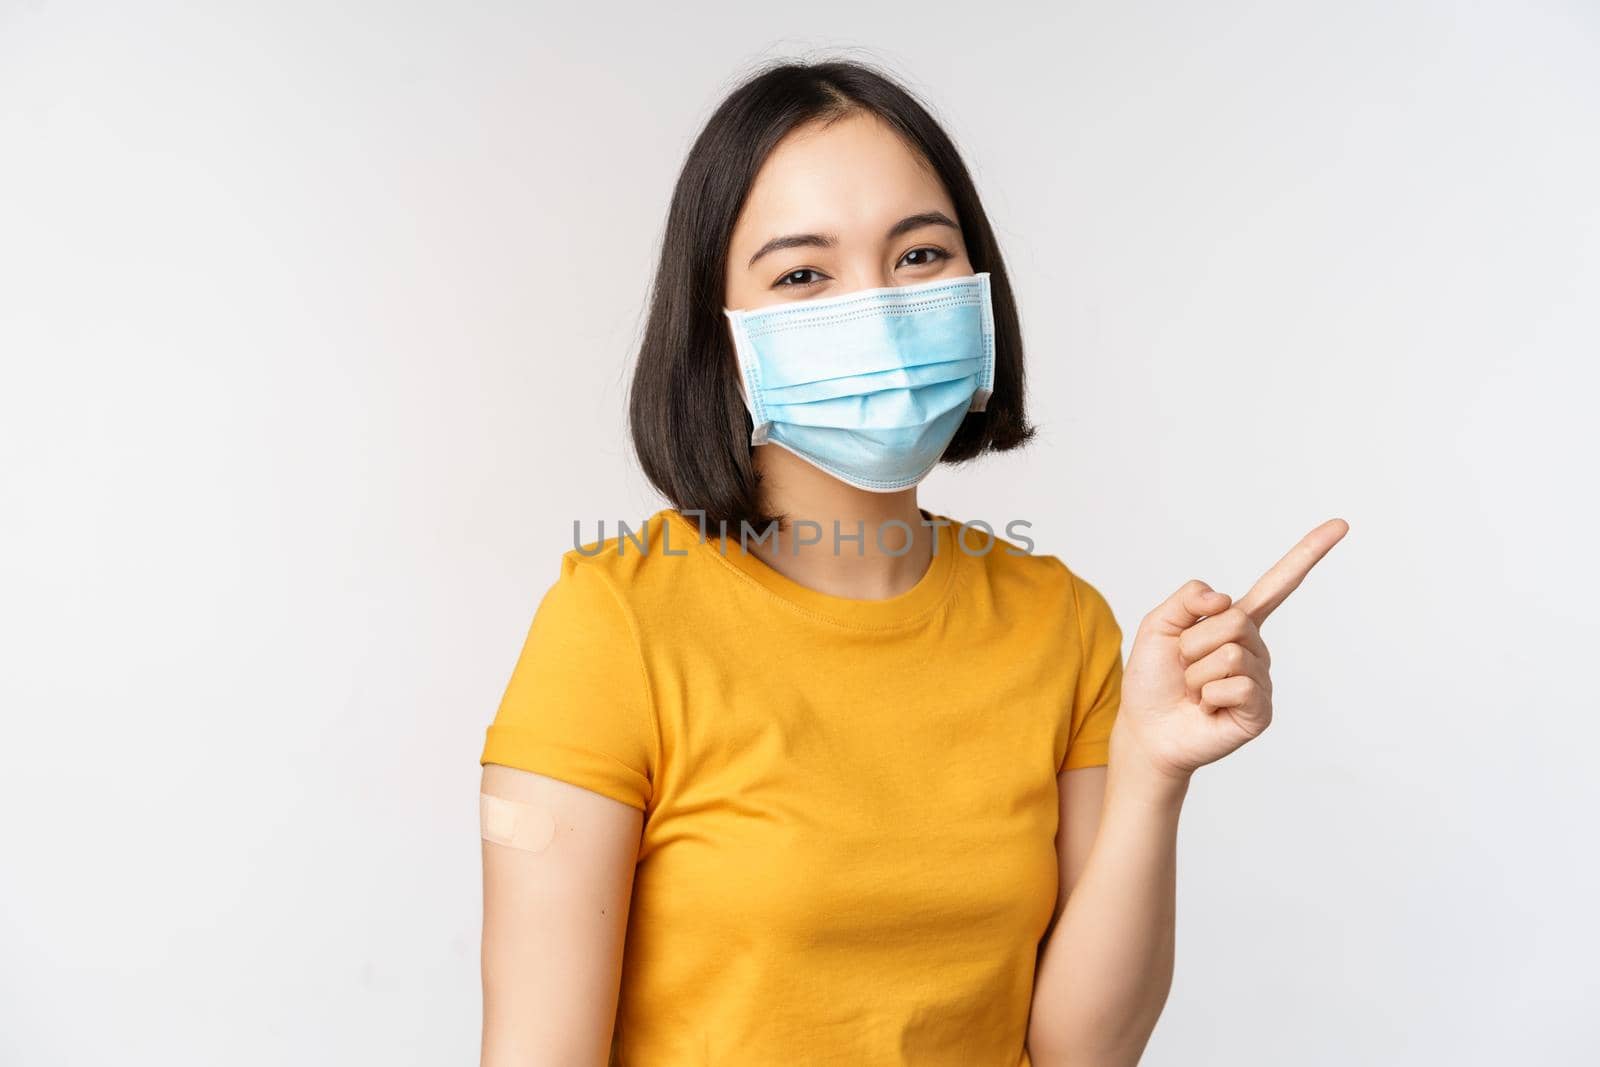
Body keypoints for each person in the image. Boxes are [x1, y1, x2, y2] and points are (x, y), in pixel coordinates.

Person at [477, 58, 1346, 1067]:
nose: (881, 311)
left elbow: (1081, 1050)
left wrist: (1153, 770)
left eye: (920, 254)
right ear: (719, 333)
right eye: (803, 272)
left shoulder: (1059, 621)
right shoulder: (614, 623)